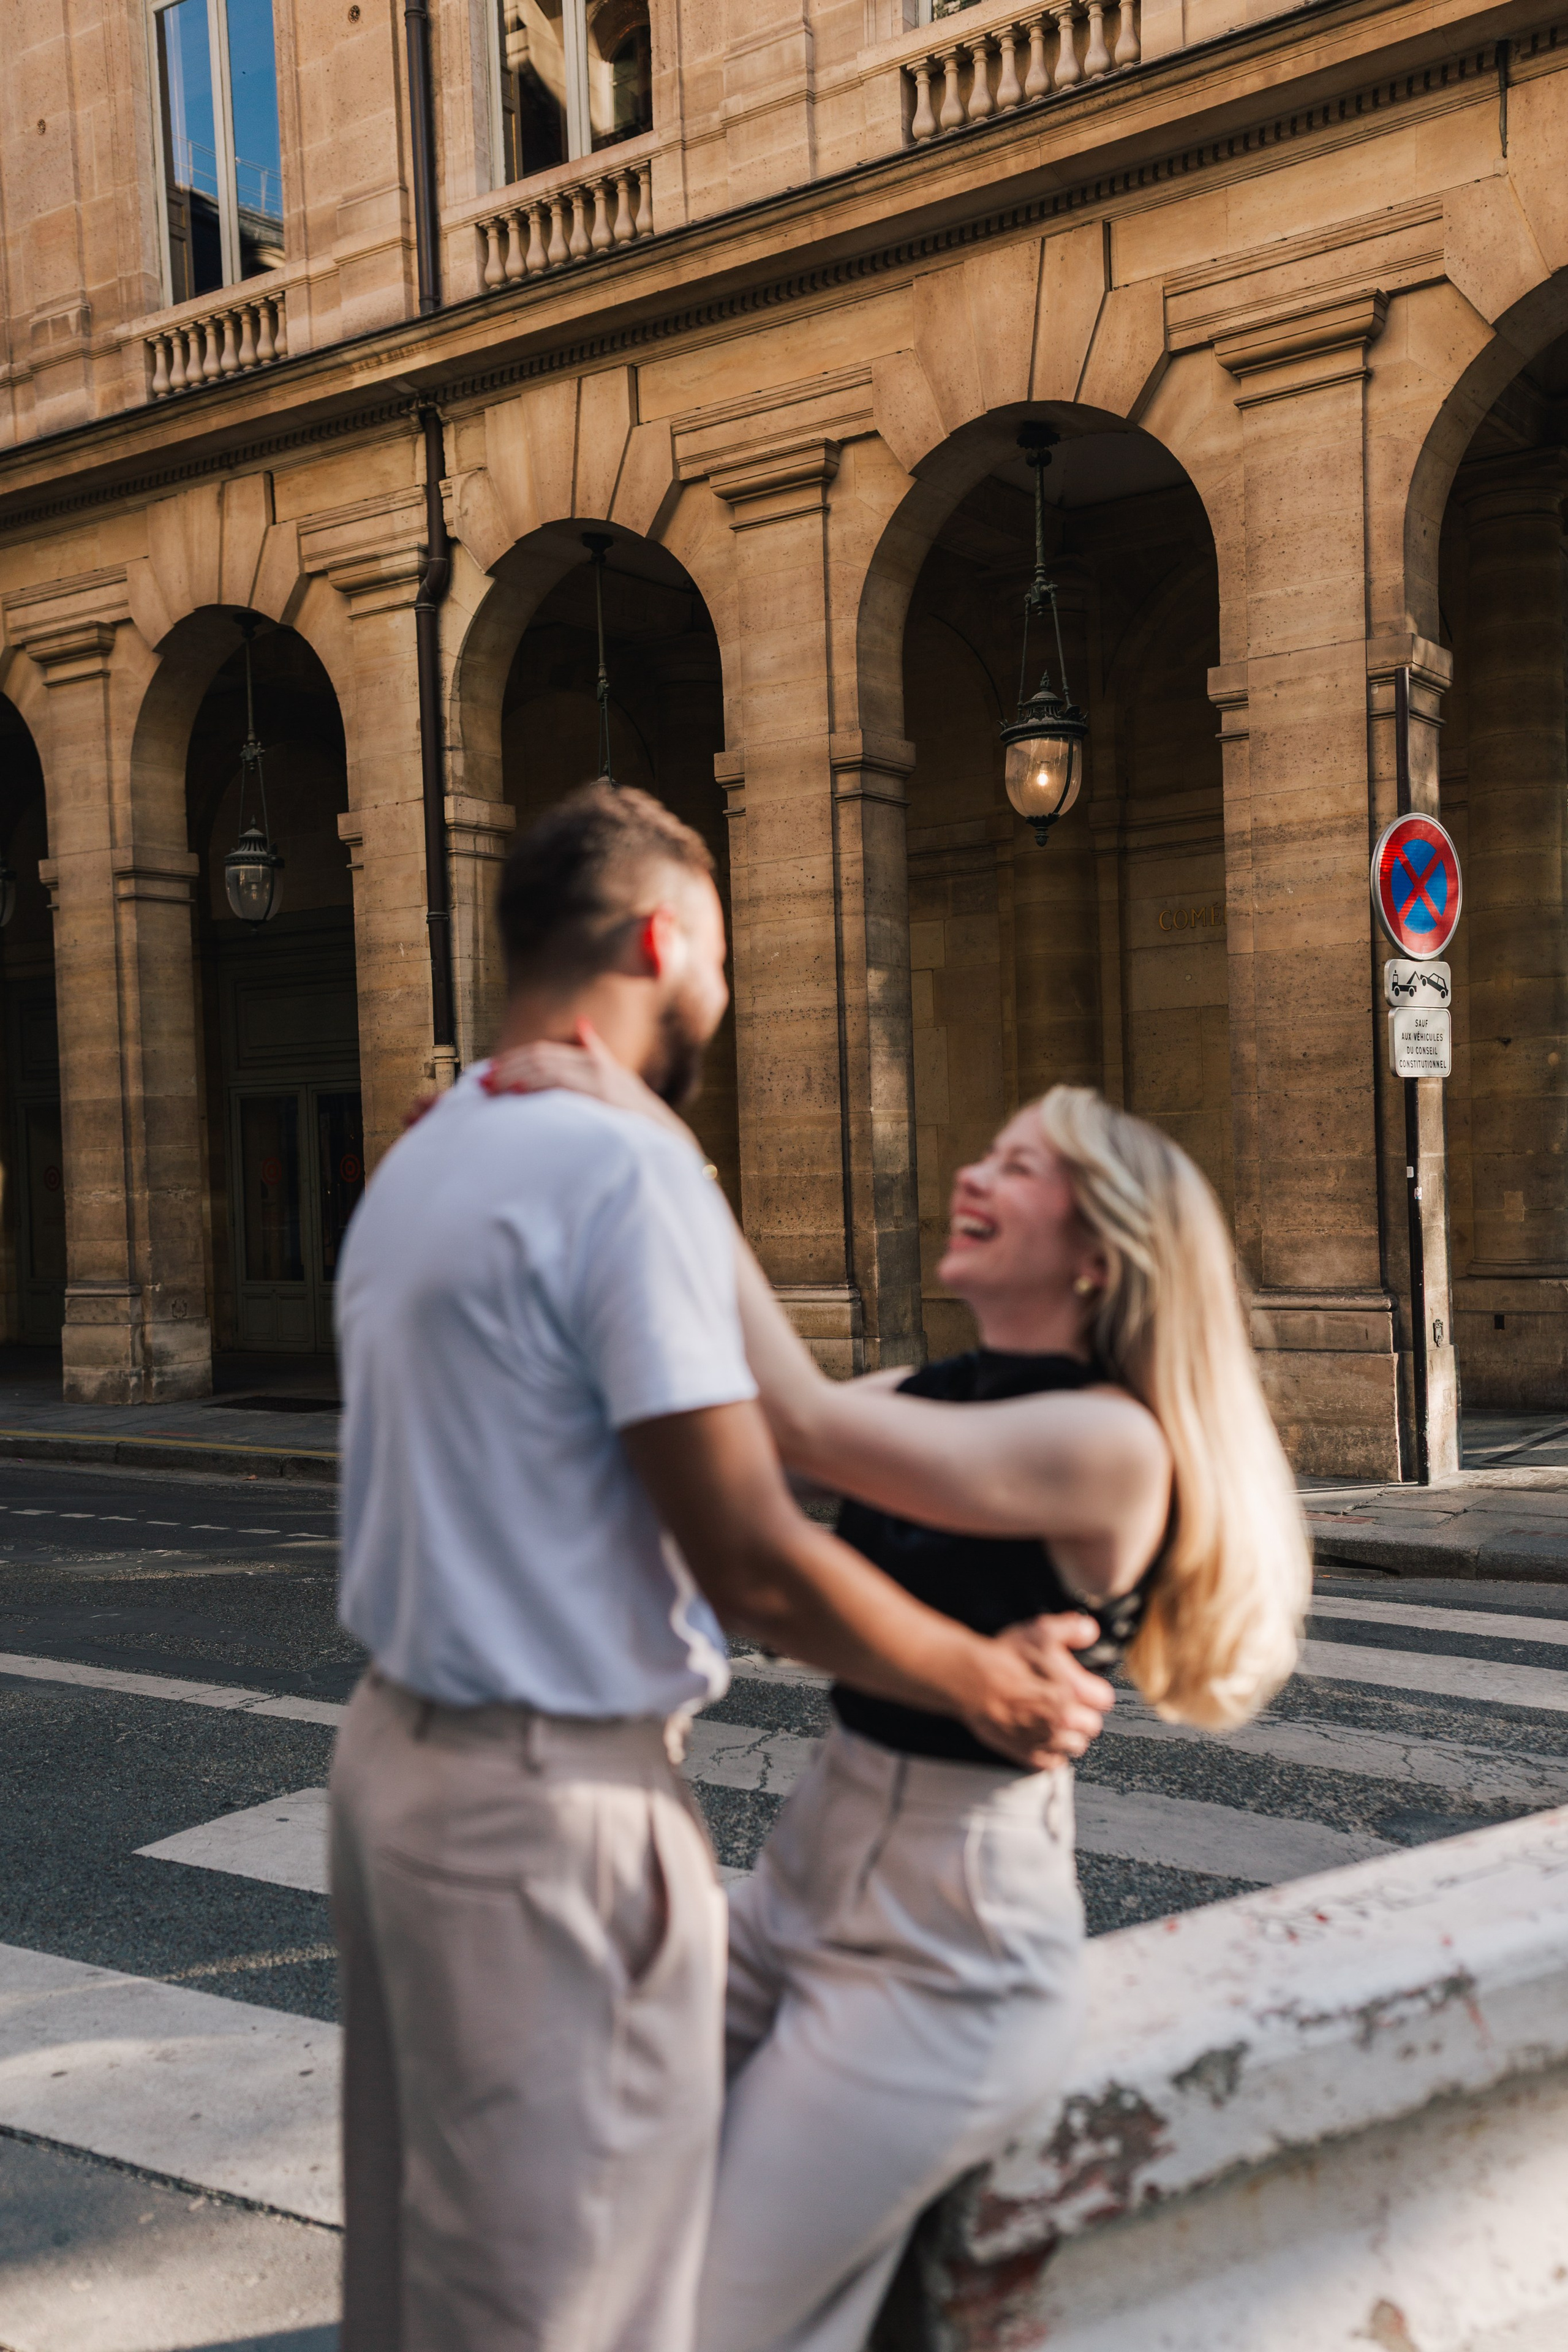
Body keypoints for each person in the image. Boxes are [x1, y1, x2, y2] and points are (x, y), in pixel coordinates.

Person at [328, 781, 1117, 2352]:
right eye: (723, 964)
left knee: (416, 2291)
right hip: (548, 1815)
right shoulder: (619, 1176)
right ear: (660, 937)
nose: (727, 1002)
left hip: (393, 1779)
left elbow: (797, 1430)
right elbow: (753, 1558)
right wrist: (985, 1677)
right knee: (581, 2314)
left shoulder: (422, 1159)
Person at [483, 1031, 1312, 2352]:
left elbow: (796, 1422)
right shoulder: (941, 1391)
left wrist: (660, 1157)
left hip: (942, 1964)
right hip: (797, 1890)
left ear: (1096, 1253)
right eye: (987, 1152)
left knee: (701, 2325)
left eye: (1020, 1165)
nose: (974, 1174)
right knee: (584, 2211)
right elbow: (744, 1463)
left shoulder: (1109, 1443)